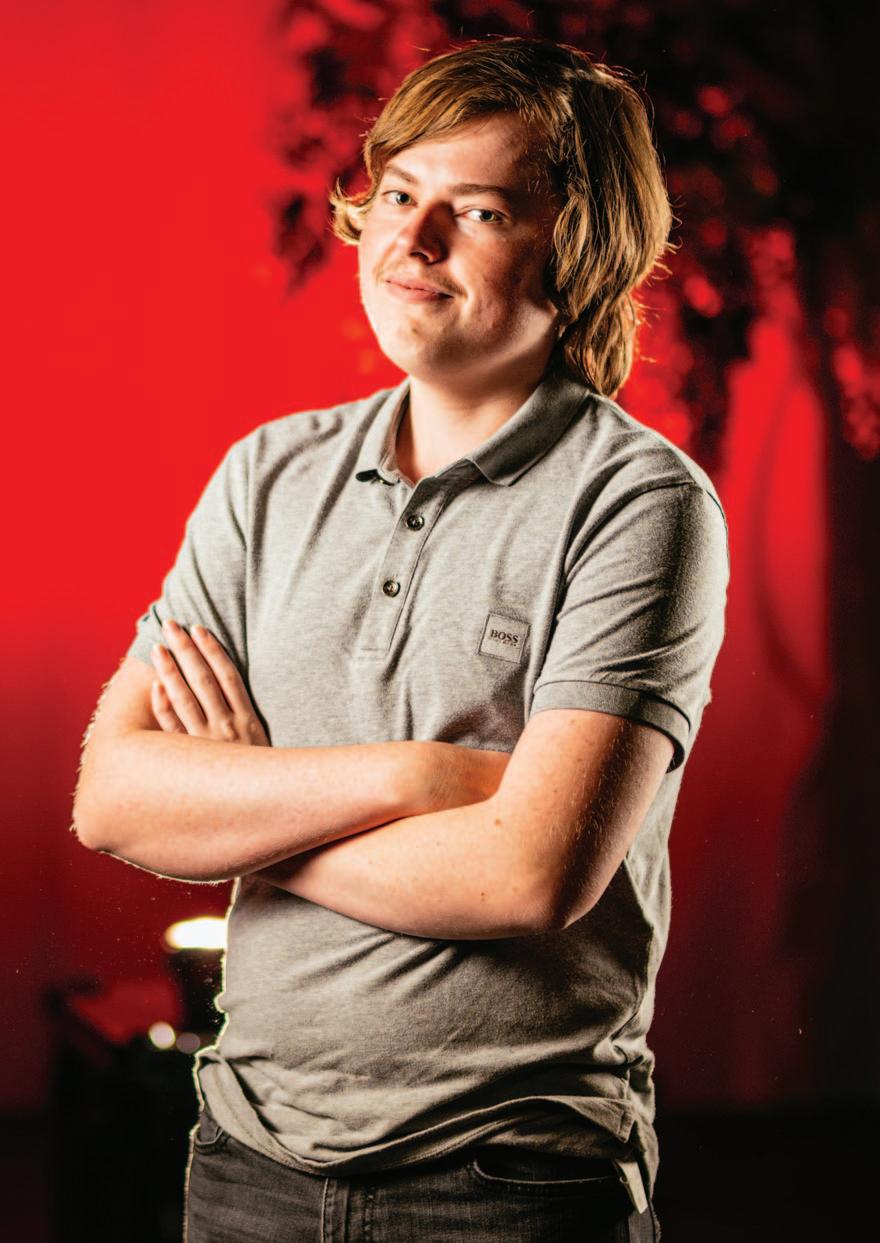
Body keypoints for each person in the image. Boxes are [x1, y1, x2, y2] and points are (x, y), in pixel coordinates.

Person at [74, 35, 729, 1243]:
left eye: (476, 210)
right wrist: (416, 779)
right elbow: (113, 799)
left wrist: (251, 814)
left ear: (579, 250)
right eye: (396, 195)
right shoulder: (266, 476)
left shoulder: (639, 504)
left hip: (509, 1181)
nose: (410, 242)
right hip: (246, 1161)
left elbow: (528, 874)